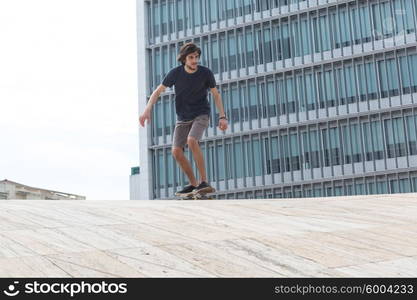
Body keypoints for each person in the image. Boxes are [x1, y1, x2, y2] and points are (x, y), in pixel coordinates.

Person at [139, 42, 228, 197]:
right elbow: (157, 91)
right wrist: (147, 110)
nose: (195, 61)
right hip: (183, 117)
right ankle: (193, 184)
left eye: (197, 57)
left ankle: (203, 181)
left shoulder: (206, 73)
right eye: (191, 57)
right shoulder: (175, 73)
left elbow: (216, 94)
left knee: (192, 140)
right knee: (176, 151)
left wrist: (222, 117)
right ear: (184, 59)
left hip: (201, 114)